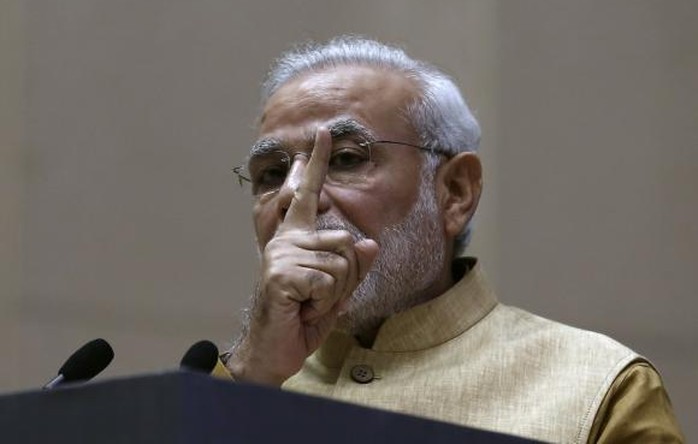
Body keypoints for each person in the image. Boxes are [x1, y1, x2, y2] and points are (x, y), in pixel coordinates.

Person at [222, 36, 683, 443]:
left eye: (343, 159)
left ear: (454, 192)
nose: (292, 193)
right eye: (271, 173)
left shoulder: (597, 388)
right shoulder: (235, 386)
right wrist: (249, 375)